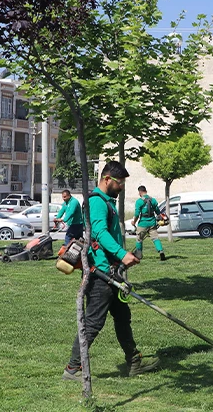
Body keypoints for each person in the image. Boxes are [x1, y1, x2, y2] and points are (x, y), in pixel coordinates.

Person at [62, 161, 160, 380]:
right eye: (119, 182)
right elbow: (98, 232)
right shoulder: (97, 201)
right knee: (94, 322)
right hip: (101, 274)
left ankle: (134, 362)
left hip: (113, 272)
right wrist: (121, 253)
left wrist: (123, 258)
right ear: (107, 179)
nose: (122, 186)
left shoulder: (107, 202)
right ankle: (72, 369)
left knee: (123, 317)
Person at [131, 186, 166, 261]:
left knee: (139, 239)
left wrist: (134, 222)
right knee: (155, 238)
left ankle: (138, 255)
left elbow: (137, 214)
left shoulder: (139, 201)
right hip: (152, 222)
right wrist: (161, 219)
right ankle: (161, 251)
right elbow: (158, 212)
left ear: (140, 192)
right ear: (146, 191)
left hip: (143, 223)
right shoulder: (153, 200)